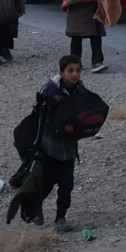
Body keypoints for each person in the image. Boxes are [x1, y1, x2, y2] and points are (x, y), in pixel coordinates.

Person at [35, 54, 87, 231]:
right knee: (48, 181)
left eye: (78, 70)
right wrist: (50, 105)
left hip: (69, 147)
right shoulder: (50, 89)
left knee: (67, 183)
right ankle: (36, 205)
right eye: (70, 71)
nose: (75, 74)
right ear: (61, 72)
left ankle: (61, 217)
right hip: (49, 146)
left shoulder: (80, 90)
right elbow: (38, 113)